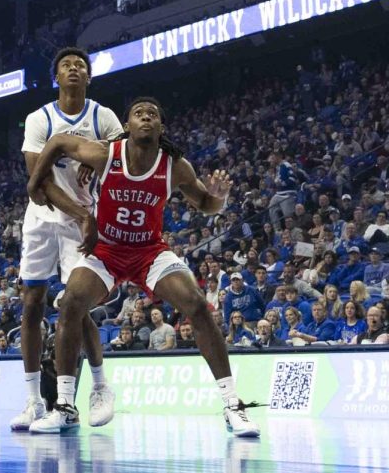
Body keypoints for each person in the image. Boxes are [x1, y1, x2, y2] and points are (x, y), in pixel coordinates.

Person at [26, 97, 259, 437]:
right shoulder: (107, 155)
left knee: (195, 303)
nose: (146, 117)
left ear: (161, 127)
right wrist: (35, 181)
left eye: (153, 113)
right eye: (139, 113)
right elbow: (59, 140)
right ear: (127, 127)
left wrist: (219, 197)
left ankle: (233, 405)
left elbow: (206, 204)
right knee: (71, 301)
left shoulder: (175, 166)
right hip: (106, 249)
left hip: (148, 251)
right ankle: (64, 406)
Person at [11, 47, 123, 432]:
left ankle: (99, 388)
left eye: (81, 66)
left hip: (85, 223)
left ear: (89, 77)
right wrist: (83, 213)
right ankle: (33, 402)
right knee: (32, 303)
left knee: (76, 305)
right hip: (45, 219)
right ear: (56, 76)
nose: (74, 70)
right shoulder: (38, 118)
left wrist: (92, 210)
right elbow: (37, 183)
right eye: (66, 66)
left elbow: (119, 164)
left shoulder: (103, 116)